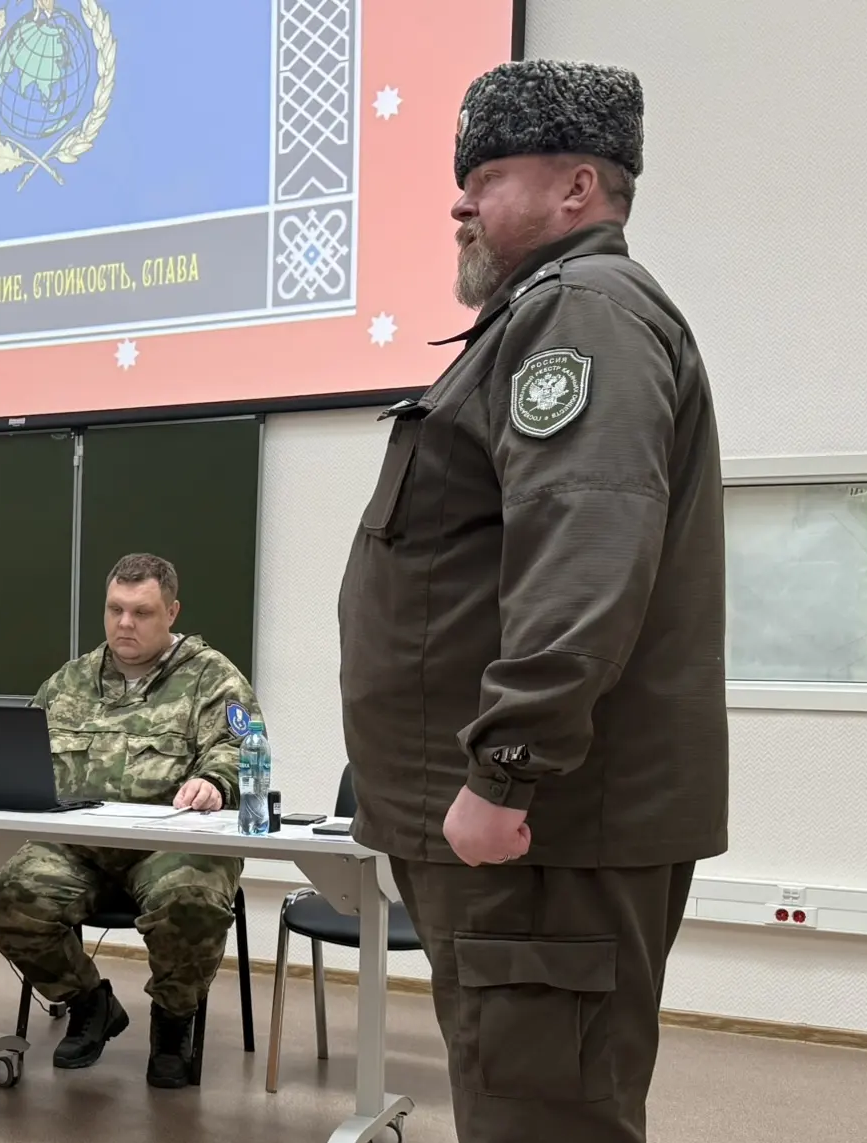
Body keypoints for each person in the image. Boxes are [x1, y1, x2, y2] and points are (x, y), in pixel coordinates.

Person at [337, 60, 727, 1143]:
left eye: (488, 178)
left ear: (576, 188)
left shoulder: (580, 316)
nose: (459, 204)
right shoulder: (542, 318)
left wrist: (504, 768)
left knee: (544, 1120)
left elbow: (581, 558)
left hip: (542, 832)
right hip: (529, 834)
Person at [0, 553, 260, 1089]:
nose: (125, 623)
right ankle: (89, 1003)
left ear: (172, 612)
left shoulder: (211, 677)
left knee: (191, 900)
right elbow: (19, 747)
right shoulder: (72, 680)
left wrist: (214, 782)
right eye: (115, 610)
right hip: (78, 846)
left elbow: (239, 748)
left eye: (142, 612)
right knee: (9, 898)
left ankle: (173, 1022)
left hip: (170, 846)